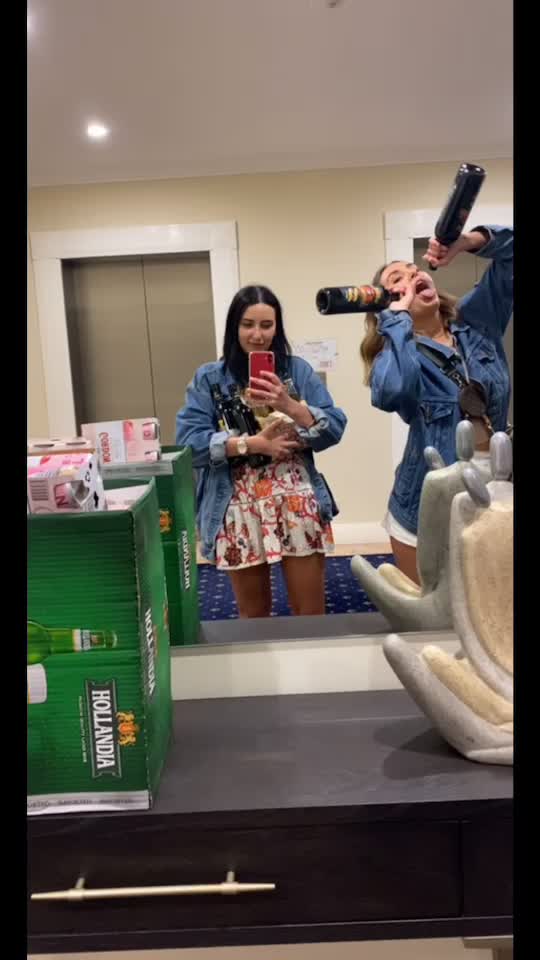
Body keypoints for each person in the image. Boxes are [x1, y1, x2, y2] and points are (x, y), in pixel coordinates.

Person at [176, 285, 347, 618]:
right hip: (237, 504)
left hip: (296, 500)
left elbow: (335, 427)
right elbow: (189, 445)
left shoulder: (297, 371)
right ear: (234, 327)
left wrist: (289, 405)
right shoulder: (209, 379)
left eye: (266, 325)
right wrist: (253, 444)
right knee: (253, 619)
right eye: (248, 324)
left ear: (277, 328)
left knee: (311, 615)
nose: (257, 334)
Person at [360, 225, 513, 584]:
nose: (413, 276)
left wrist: (466, 242)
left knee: (491, 603)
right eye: (398, 279)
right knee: (427, 608)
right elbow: (391, 391)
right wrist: (395, 320)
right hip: (425, 504)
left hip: (496, 489)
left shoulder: (477, 323)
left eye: (415, 270)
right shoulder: (397, 353)